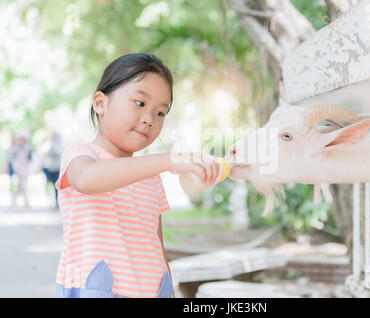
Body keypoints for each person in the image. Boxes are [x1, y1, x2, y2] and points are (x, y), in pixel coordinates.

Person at [54, 53, 220, 298]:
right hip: (98, 290)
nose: (149, 120)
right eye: (140, 103)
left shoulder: (151, 176)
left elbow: (157, 249)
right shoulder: (81, 155)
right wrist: (168, 160)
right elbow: (86, 179)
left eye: (160, 113)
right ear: (100, 103)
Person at [8, 131, 33, 209]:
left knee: (23, 186)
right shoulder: (16, 147)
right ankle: (15, 201)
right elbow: (11, 155)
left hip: (25, 169)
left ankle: (26, 202)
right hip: (17, 169)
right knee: (16, 185)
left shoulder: (28, 147)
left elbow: (30, 159)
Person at [40, 130, 64, 209]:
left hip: (56, 168)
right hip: (47, 168)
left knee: (56, 186)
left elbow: (58, 152)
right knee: (48, 185)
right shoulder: (47, 143)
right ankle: (50, 201)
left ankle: (57, 202)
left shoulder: (59, 144)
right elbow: (42, 153)